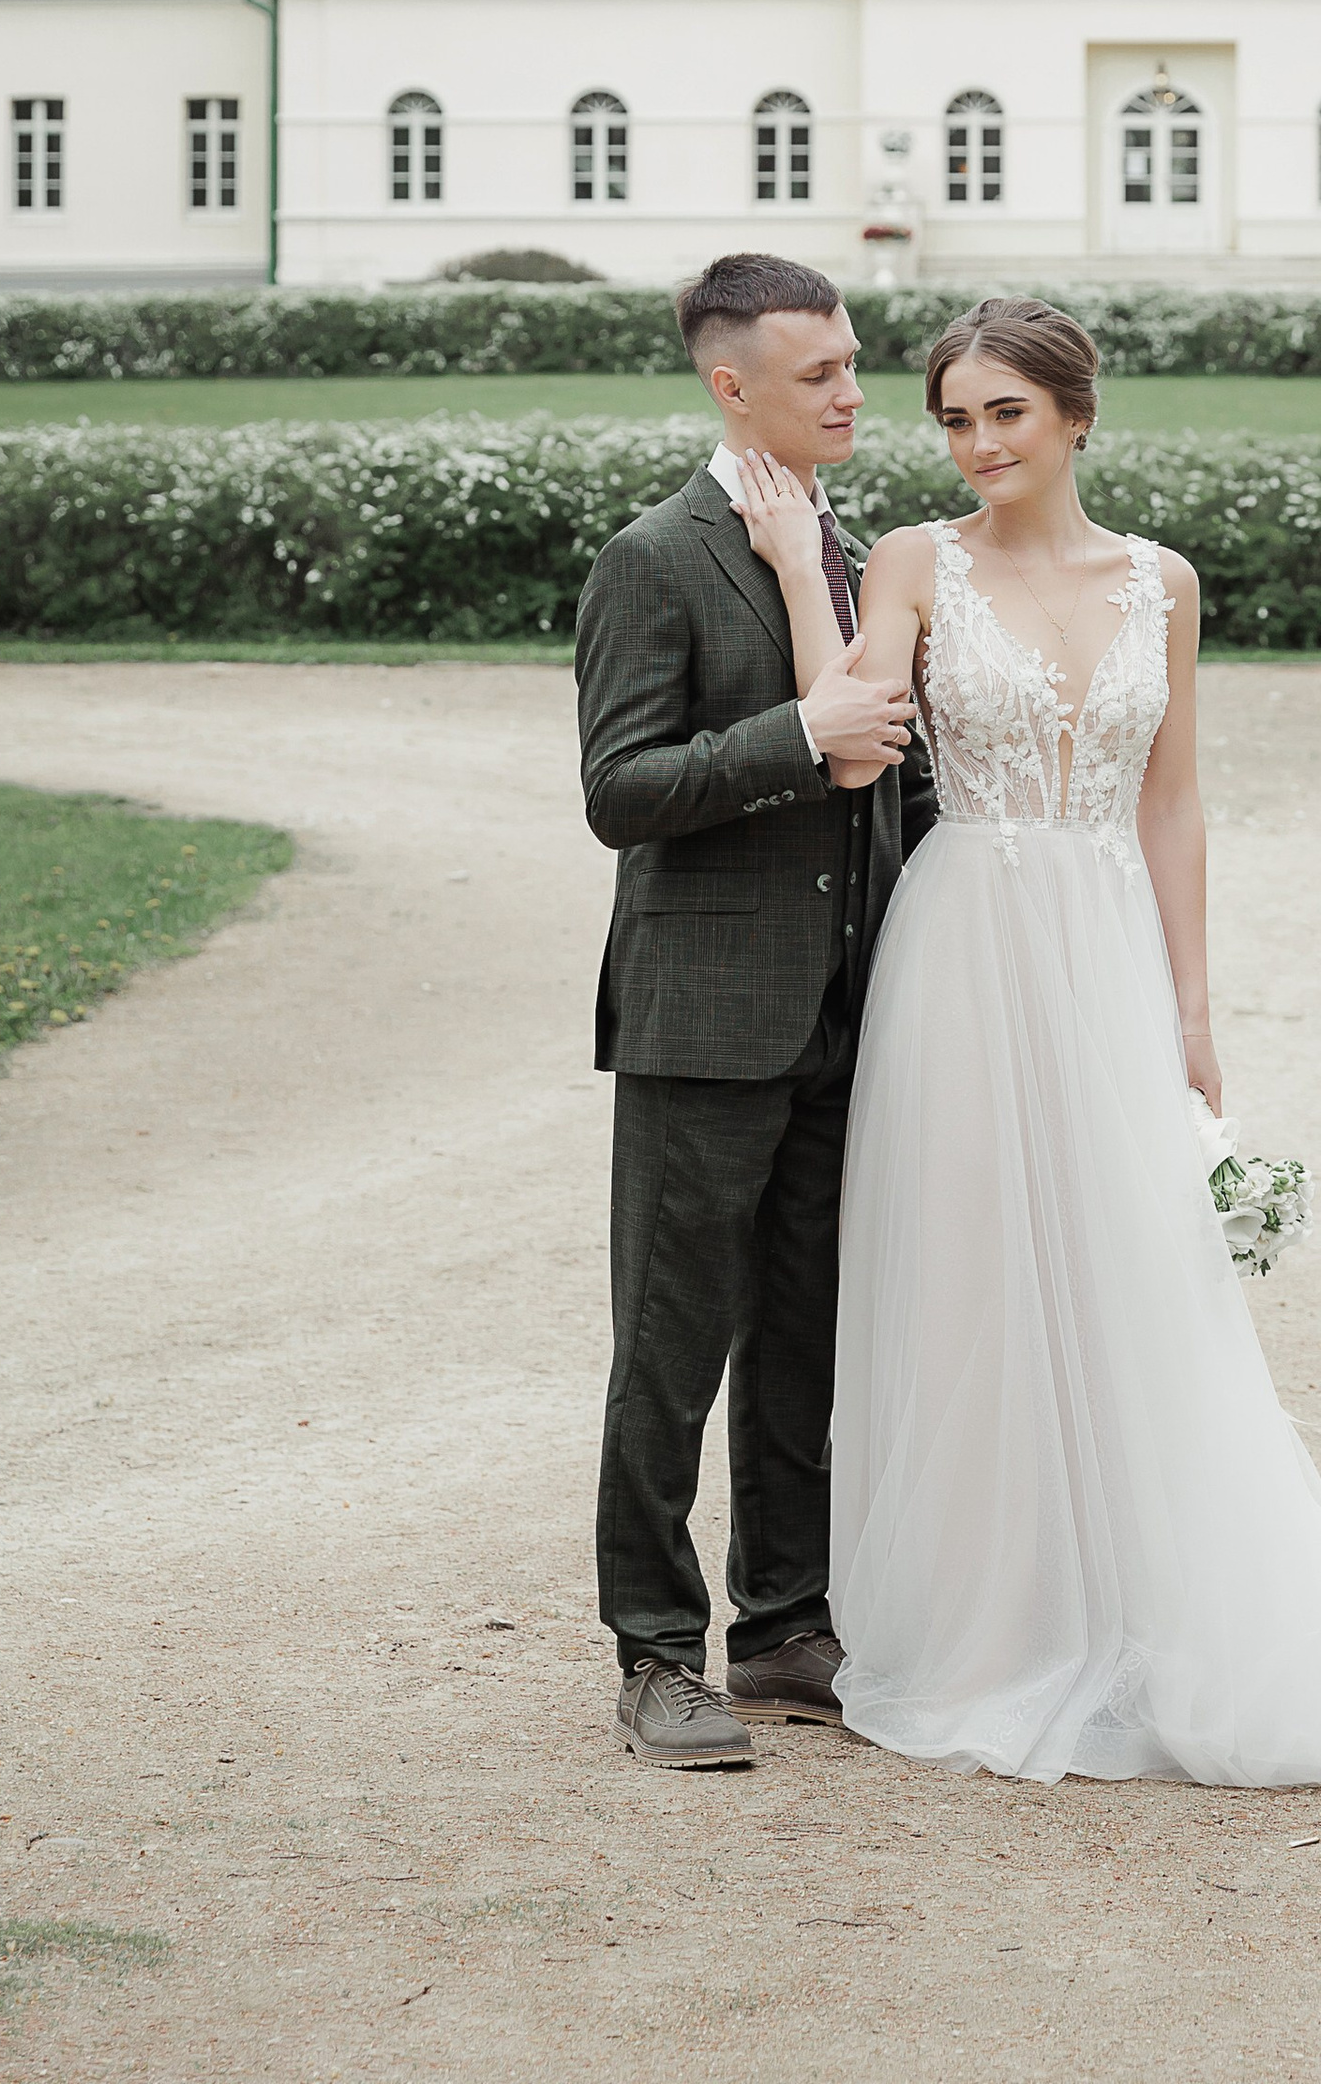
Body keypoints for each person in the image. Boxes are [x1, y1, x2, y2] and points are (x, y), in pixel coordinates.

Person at [724, 293, 1321, 1789]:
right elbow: (851, 736)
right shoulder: (913, 562)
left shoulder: (1162, 584)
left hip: (1106, 951)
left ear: (1076, 416)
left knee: (1132, 1269)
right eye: (954, 418)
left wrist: (1194, 1008)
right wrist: (792, 570)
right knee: (973, 1271)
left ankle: (1148, 1609)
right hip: (963, 948)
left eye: (1006, 412)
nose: (977, 443)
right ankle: (991, 1629)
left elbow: (1173, 800)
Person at [575, 252, 931, 1769]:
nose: (852, 392)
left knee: (806, 1338)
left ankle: (786, 1625)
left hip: (853, 1012)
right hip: (705, 1016)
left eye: (853, 363)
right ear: (732, 387)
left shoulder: (850, 547)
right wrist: (796, 731)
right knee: (672, 1346)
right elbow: (619, 790)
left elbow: (895, 777)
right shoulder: (652, 558)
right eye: (819, 374)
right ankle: (656, 1653)